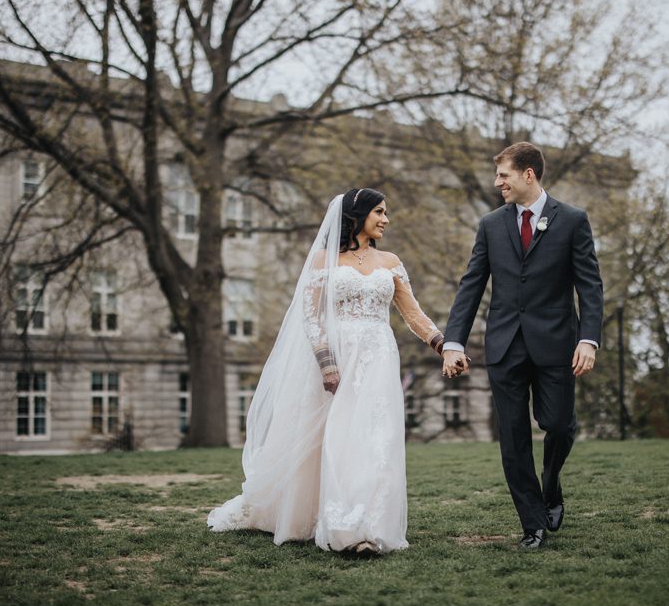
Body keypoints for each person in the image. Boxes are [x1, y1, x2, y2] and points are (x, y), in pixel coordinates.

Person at [208, 188, 445, 555]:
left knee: (373, 439)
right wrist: (326, 363)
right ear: (358, 214)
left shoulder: (390, 261)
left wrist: (443, 345)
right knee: (334, 438)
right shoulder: (323, 261)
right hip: (337, 358)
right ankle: (332, 520)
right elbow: (311, 316)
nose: (386, 219)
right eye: (379, 212)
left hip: (378, 357)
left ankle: (366, 526)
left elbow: (412, 313)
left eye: (386, 213)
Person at [442, 142, 603, 550]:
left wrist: (589, 338)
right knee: (513, 439)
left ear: (528, 174)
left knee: (560, 427)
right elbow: (471, 284)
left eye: (504, 176)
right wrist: (453, 340)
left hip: (558, 345)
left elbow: (590, 285)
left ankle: (551, 485)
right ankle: (531, 524)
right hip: (504, 347)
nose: (498, 184)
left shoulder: (572, 220)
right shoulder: (491, 225)